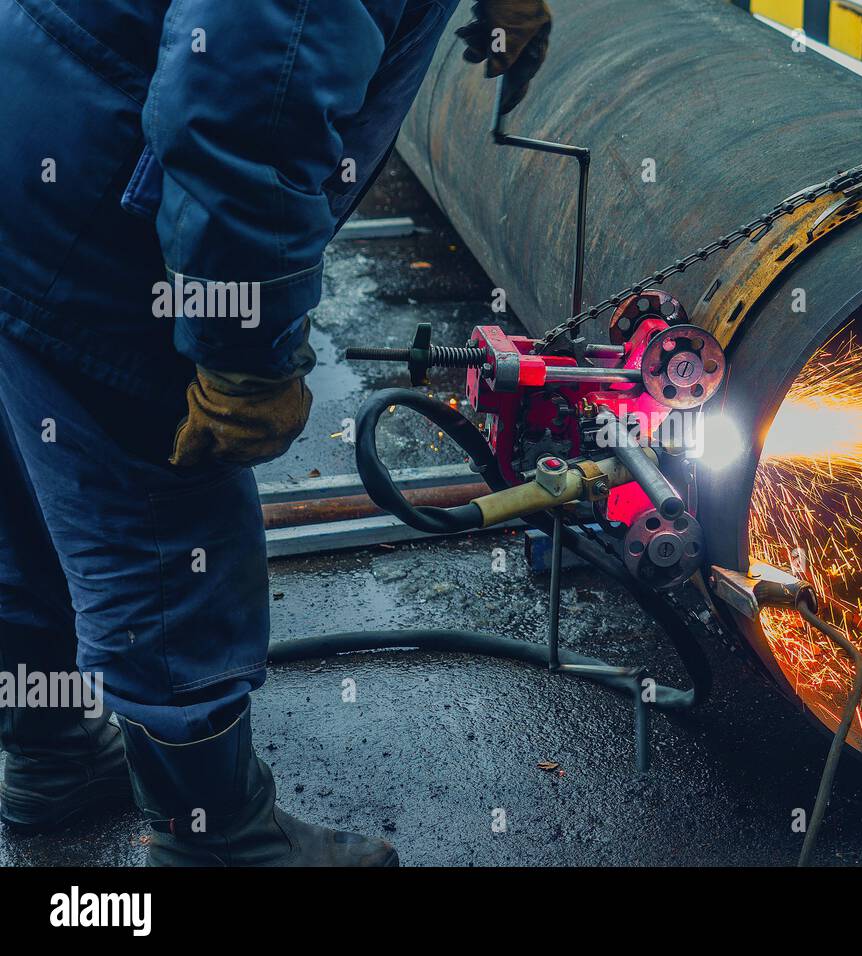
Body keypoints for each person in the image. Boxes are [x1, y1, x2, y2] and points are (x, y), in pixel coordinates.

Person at [0, 0, 549, 867]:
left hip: (31, 140)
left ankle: (51, 751)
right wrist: (244, 357)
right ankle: (214, 840)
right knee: (164, 537)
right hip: (94, 212)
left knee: (34, 492)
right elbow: (249, 107)